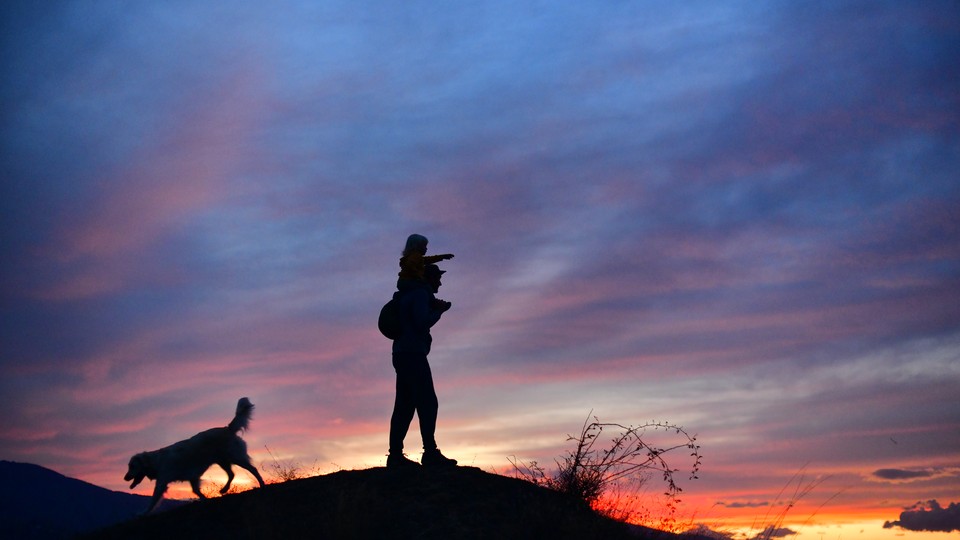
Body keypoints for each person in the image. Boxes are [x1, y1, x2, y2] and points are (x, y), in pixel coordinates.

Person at [387, 263, 457, 469]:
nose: (440, 282)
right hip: (412, 354)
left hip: (402, 353)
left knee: (405, 404)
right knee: (427, 402)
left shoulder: (410, 294)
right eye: (437, 277)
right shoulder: (420, 294)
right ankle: (430, 453)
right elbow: (421, 323)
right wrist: (439, 311)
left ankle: (396, 456)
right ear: (428, 278)